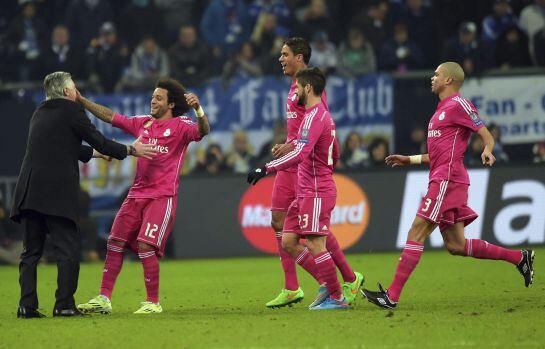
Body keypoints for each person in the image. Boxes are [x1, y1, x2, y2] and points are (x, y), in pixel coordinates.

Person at [361, 62, 535, 310]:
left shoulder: (459, 104)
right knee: (456, 245)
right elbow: (439, 155)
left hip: (448, 179)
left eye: (437, 74)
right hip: (443, 176)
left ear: (449, 80)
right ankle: (520, 258)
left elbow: (486, 134)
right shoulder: (440, 110)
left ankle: (391, 297)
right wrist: (409, 159)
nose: (432, 78)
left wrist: (488, 149)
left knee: (416, 232)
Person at [11, 71, 156, 319]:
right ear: (68, 92)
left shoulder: (39, 112)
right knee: (67, 249)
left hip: (28, 190)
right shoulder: (72, 111)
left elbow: (62, 145)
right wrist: (132, 149)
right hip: (55, 193)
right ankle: (64, 305)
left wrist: (98, 155)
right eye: (75, 88)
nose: (77, 92)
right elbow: (98, 139)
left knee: (31, 252)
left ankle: (27, 306)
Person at [77, 78, 210, 315]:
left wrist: (199, 109)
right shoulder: (143, 123)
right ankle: (104, 299)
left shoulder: (181, 125)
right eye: (152, 97)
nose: (153, 101)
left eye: (158, 98)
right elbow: (111, 117)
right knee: (114, 242)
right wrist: (81, 100)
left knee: (145, 245)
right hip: (136, 194)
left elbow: (203, 131)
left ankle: (153, 302)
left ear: (170, 104)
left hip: (162, 196)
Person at [260, 38, 363, 309]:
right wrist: (286, 143)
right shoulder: (293, 87)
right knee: (279, 223)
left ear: (300, 57)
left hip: (304, 164)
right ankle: (293, 287)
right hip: (291, 159)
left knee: (314, 229)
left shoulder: (311, 88)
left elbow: (319, 128)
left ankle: (346, 280)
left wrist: (326, 155)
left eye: (285, 55)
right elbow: (298, 131)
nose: (280, 59)